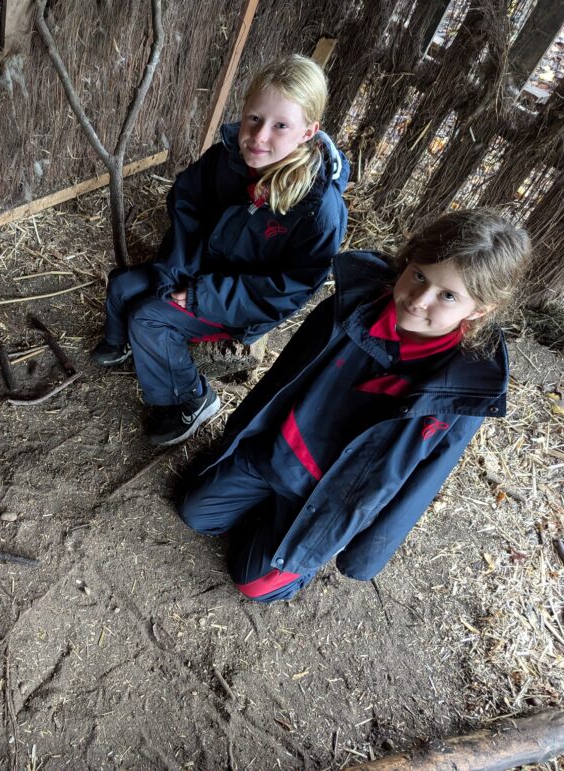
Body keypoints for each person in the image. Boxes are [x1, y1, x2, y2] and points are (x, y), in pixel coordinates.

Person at [177, 209, 531, 604]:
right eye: (418, 276)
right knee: (196, 513)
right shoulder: (349, 306)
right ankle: (266, 516)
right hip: (276, 453)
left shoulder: (463, 386)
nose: (418, 301)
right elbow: (281, 378)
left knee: (253, 586)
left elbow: (428, 476)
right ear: (408, 262)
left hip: (328, 495)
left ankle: (289, 547)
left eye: (448, 296)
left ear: (478, 310)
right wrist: (238, 434)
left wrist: (367, 554)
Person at [92, 53, 350, 446]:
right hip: (196, 268)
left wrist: (202, 296)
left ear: (307, 132)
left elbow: (290, 290)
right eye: (254, 118)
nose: (259, 136)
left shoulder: (317, 210)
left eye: (280, 125)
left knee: (149, 318)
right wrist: (175, 270)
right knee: (123, 286)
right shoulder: (228, 157)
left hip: (235, 301)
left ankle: (190, 400)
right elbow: (185, 203)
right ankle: (123, 345)